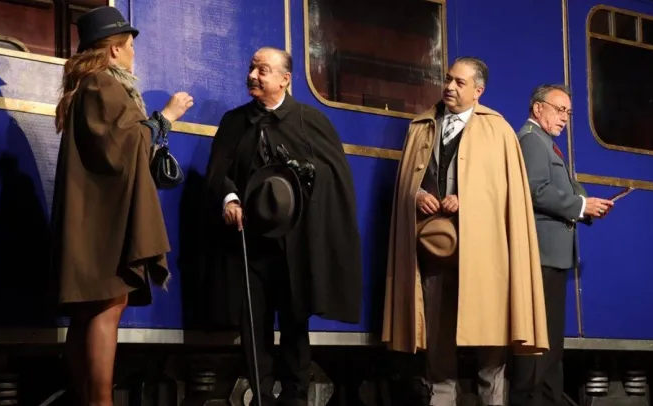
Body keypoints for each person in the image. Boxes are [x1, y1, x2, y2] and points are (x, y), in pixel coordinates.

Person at [381, 57, 549, 406]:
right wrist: (418, 194)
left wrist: (467, 198)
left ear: (478, 91)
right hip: (436, 249)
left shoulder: (498, 130)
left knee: (490, 337)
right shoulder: (422, 127)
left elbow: (508, 194)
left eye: (459, 82)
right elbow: (406, 182)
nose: (449, 87)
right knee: (438, 335)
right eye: (448, 80)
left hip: (484, 252)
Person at [202, 46, 362, 406]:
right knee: (253, 325)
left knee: (294, 324)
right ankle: (261, 396)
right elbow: (217, 173)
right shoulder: (234, 122)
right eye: (252, 68)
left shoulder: (310, 120)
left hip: (295, 245)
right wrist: (230, 199)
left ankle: (295, 398)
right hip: (249, 244)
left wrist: (304, 182)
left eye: (262, 70)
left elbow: (333, 178)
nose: (252, 76)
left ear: (284, 79)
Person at [50, 6, 193, 406]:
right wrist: (165, 118)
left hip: (96, 216)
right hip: (103, 222)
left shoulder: (89, 85)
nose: (133, 53)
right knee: (107, 305)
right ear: (114, 49)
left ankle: (88, 398)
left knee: (92, 309)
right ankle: (100, 401)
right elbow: (122, 145)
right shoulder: (103, 84)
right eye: (130, 46)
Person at [509, 84, 614, 406]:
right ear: (538, 108)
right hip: (541, 254)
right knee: (539, 341)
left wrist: (586, 205)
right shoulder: (531, 140)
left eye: (568, 112)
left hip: (553, 255)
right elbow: (535, 190)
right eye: (559, 109)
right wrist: (580, 206)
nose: (565, 117)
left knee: (550, 341)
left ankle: (548, 399)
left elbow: (558, 188)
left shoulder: (546, 143)